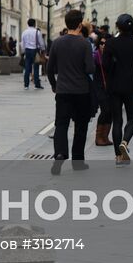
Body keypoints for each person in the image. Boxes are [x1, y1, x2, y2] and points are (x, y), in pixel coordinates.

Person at [47, 11, 95, 164]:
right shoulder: (85, 43)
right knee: (81, 126)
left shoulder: (57, 43)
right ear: (80, 25)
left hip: (63, 91)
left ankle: (60, 153)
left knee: (61, 123)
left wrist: (54, 85)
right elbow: (90, 69)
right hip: (81, 91)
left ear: (66, 24)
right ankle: (78, 160)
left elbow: (49, 69)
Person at [102, 15, 133, 164]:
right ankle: (125, 142)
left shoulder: (111, 43)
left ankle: (118, 156)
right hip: (131, 85)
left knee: (117, 120)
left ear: (118, 26)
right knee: (132, 118)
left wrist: (113, 66)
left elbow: (105, 65)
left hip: (114, 86)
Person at [20, 18, 46, 90]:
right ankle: (37, 84)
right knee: (36, 68)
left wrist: (23, 52)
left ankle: (26, 85)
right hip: (35, 50)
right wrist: (43, 50)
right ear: (34, 24)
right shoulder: (37, 32)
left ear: (28, 24)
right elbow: (41, 43)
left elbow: (22, 43)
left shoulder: (24, 32)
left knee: (27, 67)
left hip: (27, 51)